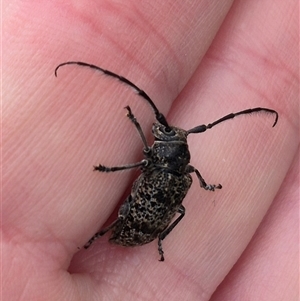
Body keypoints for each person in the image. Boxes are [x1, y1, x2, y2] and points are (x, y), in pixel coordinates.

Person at [3, 1, 298, 300]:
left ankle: (102, 234)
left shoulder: (165, 171)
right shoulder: (185, 175)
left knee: (134, 199)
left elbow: (139, 164)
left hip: (135, 227)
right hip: (149, 231)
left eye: (167, 136)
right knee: (173, 205)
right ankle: (151, 238)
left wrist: (117, 152)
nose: (163, 134)